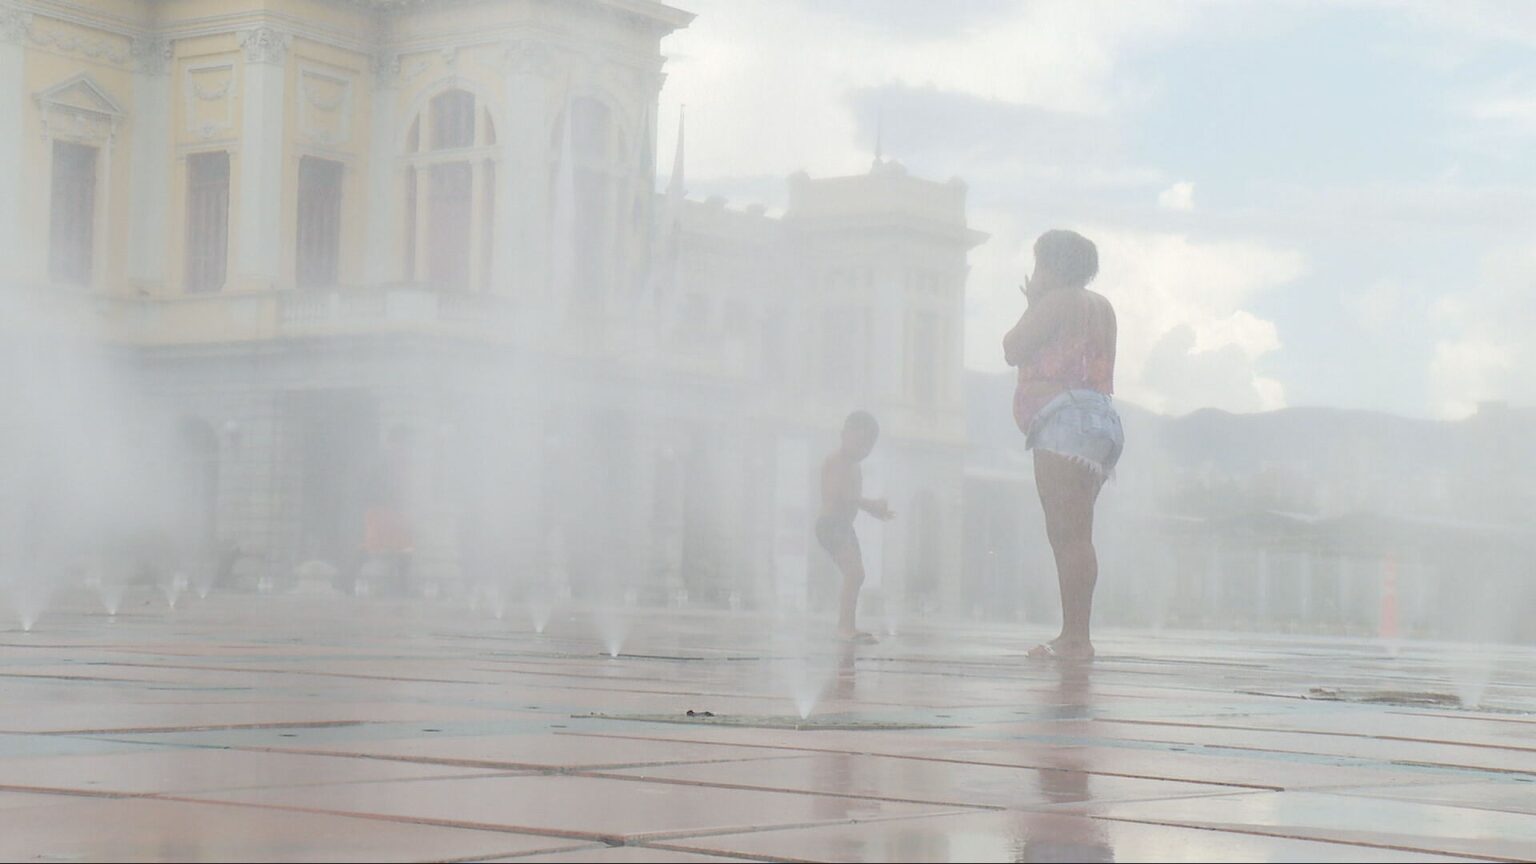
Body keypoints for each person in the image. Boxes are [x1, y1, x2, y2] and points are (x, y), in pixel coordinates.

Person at [1003, 229, 1122, 661]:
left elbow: (1012, 348)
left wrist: (1033, 303)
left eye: (1038, 266)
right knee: (1078, 534)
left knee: (1066, 535)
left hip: (1064, 423)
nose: (1034, 275)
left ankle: (1076, 638)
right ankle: (1076, 634)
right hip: (1099, 420)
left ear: (1051, 267)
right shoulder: (1102, 307)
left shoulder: (1056, 302)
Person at [815, 410, 895, 643]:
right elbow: (838, 495)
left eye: (868, 446)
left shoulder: (854, 465)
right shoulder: (836, 461)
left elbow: (852, 498)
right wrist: (871, 505)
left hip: (843, 526)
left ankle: (848, 625)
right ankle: (845, 627)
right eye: (859, 443)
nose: (863, 450)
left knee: (857, 575)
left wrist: (874, 510)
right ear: (843, 435)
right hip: (830, 525)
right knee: (854, 573)